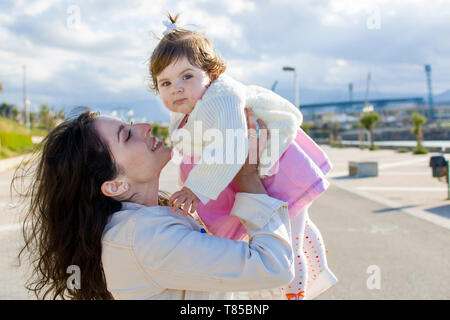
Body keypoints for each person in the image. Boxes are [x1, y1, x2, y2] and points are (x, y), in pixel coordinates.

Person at [149, 13, 338, 300]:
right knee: (300, 222)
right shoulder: (186, 112)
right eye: (165, 82)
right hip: (261, 171)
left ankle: (295, 293)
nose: (176, 87)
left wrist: (194, 189)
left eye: (187, 76)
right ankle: (319, 266)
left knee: (289, 242)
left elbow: (231, 146)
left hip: (276, 169)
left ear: (211, 74)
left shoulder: (221, 97)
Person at [15, 107, 295, 300]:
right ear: (115, 185)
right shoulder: (146, 237)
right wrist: (248, 178)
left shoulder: (142, 224)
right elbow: (273, 266)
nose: (144, 127)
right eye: (126, 135)